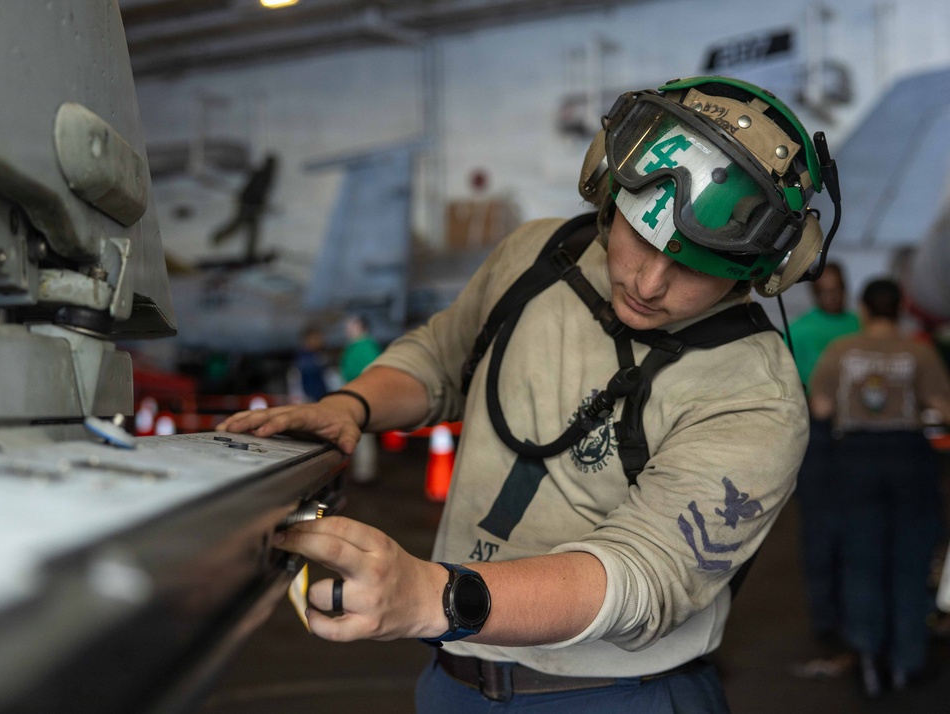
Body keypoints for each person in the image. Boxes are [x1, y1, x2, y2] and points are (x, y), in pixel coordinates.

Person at [218, 76, 840, 712]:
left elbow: (640, 577)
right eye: (640, 238)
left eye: (696, 267)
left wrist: (433, 597)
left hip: (616, 695)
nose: (650, 284)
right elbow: (439, 356)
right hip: (453, 678)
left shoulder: (756, 396)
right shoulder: (537, 255)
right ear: (605, 182)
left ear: (772, 270)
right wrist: (348, 406)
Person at [809, 278, 950, 697]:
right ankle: (906, 664)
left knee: (861, 562)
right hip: (909, 460)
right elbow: (944, 406)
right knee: (909, 563)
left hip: (854, 462)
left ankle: (868, 659)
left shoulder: (841, 350)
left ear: (864, 309)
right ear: (901, 308)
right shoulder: (918, 350)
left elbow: (821, 407)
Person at [786, 263, 860, 677]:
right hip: (817, 435)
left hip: (856, 437)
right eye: (825, 289)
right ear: (816, 294)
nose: (831, 295)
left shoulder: (861, 326)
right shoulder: (799, 332)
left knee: (854, 529)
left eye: (837, 288)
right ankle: (826, 619)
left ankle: (852, 613)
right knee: (818, 531)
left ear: (846, 289)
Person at [211, 153, 278, 264]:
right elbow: (255, 192)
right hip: (248, 205)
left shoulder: (265, 175)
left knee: (251, 229)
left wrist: (262, 204)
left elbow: (261, 194)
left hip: (252, 206)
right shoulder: (263, 175)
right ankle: (219, 237)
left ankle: (249, 254)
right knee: (241, 225)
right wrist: (259, 203)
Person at [340, 314, 383, 484]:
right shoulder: (362, 346)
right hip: (357, 396)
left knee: (363, 435)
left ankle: (364, 473)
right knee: (361, 435)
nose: (347, 329)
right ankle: (362, 470)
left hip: (361, 397)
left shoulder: (364, 347)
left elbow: (371, 373)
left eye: (351, 325)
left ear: (360, 326)